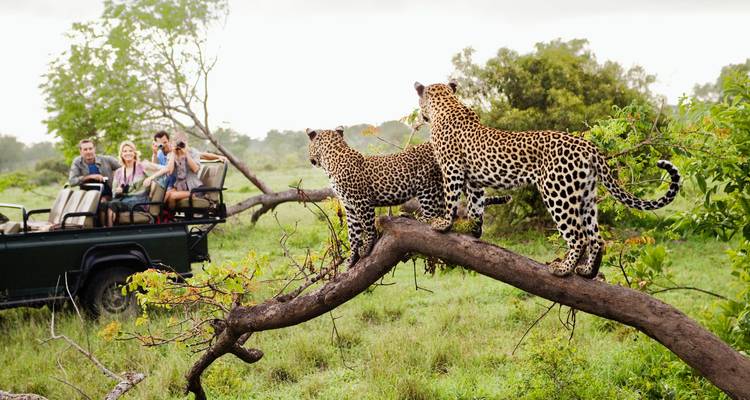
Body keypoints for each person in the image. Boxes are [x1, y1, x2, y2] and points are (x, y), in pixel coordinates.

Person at [106, 141, 169, 227]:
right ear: (121, 154)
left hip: (139, 201)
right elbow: (114, 193)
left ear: (134, 153)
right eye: (125, 151)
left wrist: (150, 178)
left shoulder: (142, 166)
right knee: (104, 205)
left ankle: (110, 233)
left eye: (130, 151)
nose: (128, 153)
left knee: (112, 205)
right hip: (123, 199)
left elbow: (166, 169)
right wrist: (118, 191)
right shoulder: (118, 172)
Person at [163, 133, 204, 210]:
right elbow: (169, 172)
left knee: (172, 196)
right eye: (177, 142)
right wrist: (173, 153)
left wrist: (186, 153)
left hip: (194, 189)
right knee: (166, 194)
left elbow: (195, 169)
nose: (179, 144)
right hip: (179, 188)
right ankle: (163, 217)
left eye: (181, 142)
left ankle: (170, 217)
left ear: (186, 142)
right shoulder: (171, 154)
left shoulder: (193, 152)